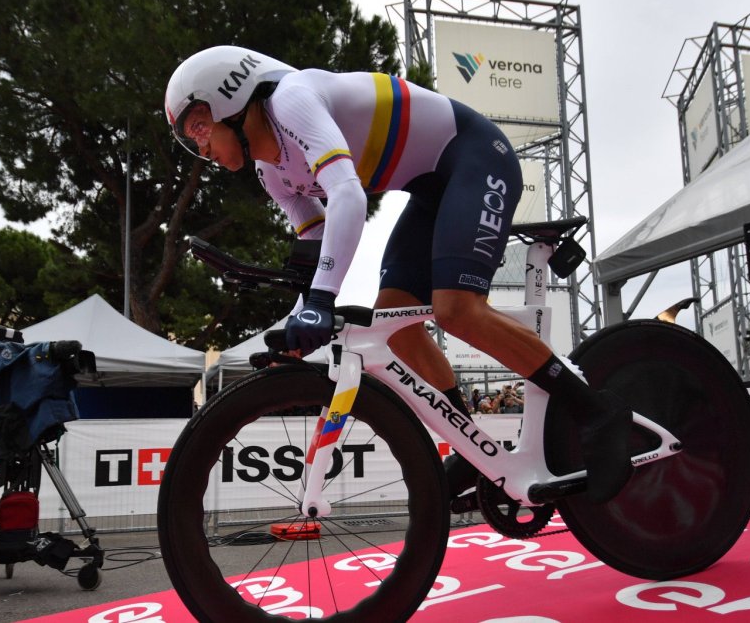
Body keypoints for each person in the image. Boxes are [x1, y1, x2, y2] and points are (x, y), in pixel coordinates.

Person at [165, 46, 632, 504]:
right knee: (397, 327)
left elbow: (348, 195)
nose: (199, 144)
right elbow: (316, 236)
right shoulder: (271, 173)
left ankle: (597, 412)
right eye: (190, 137)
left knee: (456, 311)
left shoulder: (291, 98)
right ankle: (473, 446)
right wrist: (302, 311)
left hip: (475, 157)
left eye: (199, 125)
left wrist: (323, 302)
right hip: (431, 190)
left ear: (233, 96)